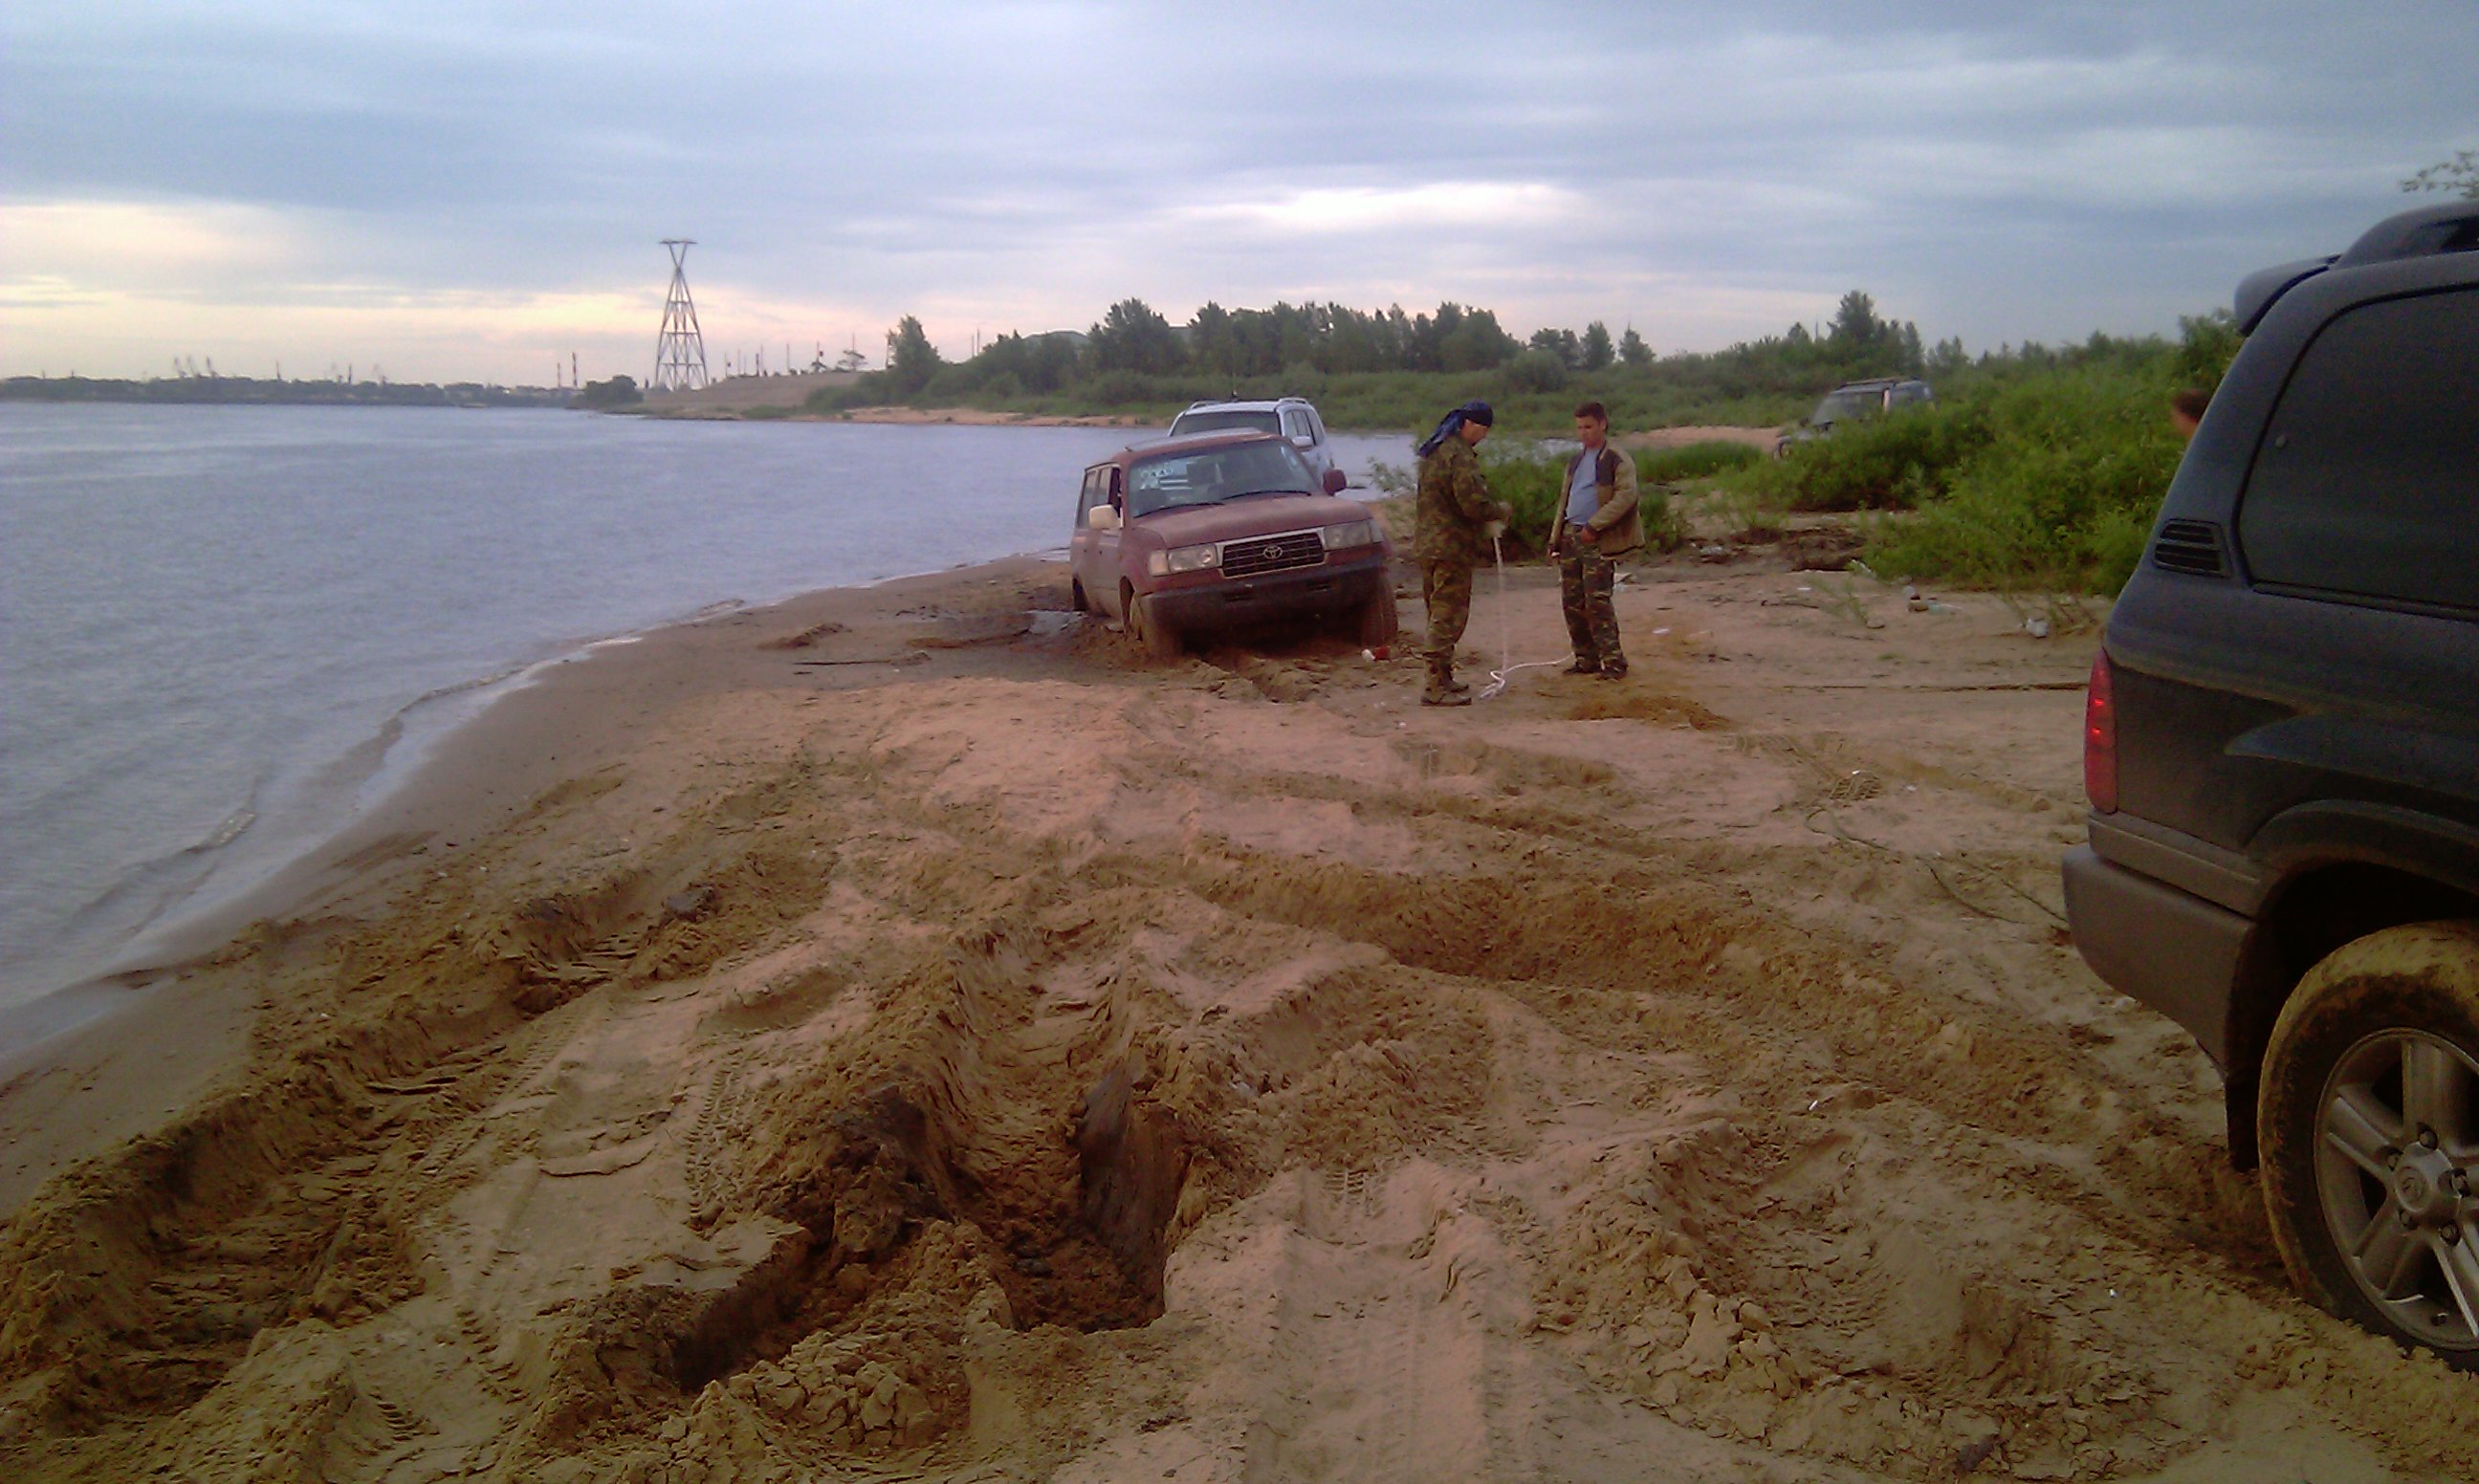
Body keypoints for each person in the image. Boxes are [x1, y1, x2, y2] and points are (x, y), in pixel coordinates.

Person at [1412, 400, 1512, 707]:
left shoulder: (1436, 450)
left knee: (1436, 612)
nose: (1483, 436)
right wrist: (1499, 511)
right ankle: (1434, 686)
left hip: (1428, 545)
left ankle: (1443, 677)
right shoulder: (1459, 455)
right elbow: (1472, 502)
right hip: (1450, 547)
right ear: (1472, 425)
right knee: (1447, 615)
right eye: (1483, 430)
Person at [1551, 401, 1643, 678]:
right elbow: (1565, 499)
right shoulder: (1576, 460)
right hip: (1571, 535)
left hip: (1598, 538)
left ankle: (1614, 662)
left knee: (1597, 601)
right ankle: (1586, 659)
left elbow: (1626, 496)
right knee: (1572, 601)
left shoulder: (1616, 458)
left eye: (1588, 426)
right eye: (1579, 427)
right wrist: (1555, 538)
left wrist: (1596, 525)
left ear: (1602, 424)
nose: (1583, 432)